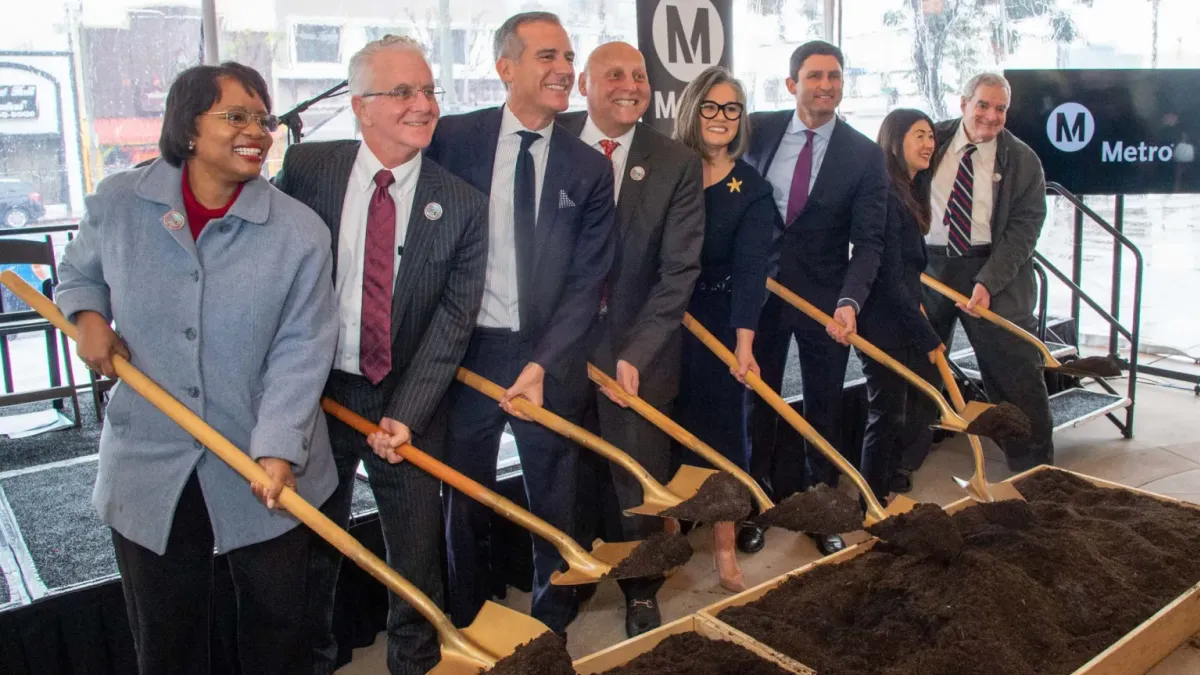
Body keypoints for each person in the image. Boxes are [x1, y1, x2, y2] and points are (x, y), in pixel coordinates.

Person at [55, 62, 337, 675]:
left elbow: (303, 348)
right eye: (235, 116)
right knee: (166, 630)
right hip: (149, 456)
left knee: (277, 629)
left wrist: (279, 446)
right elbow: (78, 275)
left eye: (262, 119)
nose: (257, 131)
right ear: (186, 128)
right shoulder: (120, 202)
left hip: (262, 452)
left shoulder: (299, 232)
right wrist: (88, 316)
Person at [273, 36, 488, 675]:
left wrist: (409, 414)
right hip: (316, 393)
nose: (423, 105)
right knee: (311, 550)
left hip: (405, 398)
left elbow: (453, 322)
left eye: (428, 91)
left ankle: (414, 664)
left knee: (416, 563)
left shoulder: (464, 205)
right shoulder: (309, 169)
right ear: (361, 106)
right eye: (403, 92)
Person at [425, 11, 616, 636]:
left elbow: (588, 281)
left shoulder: (588, 167)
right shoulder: (452, 139)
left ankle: (551, 621)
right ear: (505, 68)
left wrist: (540, 364)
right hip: (464, 351)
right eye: (547, 57)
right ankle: (471, 618)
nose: (564, 69)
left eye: (568, 56)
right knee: (464, 494)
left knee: (555, 492)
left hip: (547, 353)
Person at [558, 41, 704, 637]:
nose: (630, 84)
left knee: (638, 480)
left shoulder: (674, 161)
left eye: (639, 75)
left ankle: (641, 589)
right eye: (613, 74)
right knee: (564, 475)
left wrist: (635, 354)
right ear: (583, 86)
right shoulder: (552, 142)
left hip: (638, 355)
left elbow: (679, 274)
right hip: (558, 353)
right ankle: (568, 581)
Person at [741, 40, 887, 556]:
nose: (826, 85)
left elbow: (869, 242)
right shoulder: (756, 130)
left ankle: (820, 508)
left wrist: (849, 302)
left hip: (826, 304)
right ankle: (755, 508)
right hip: (756, 297)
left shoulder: (864, 155)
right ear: (791, 84)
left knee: (823, 409)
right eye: (815, 76)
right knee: (757, 403)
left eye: (835, 76)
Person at [671, 66, 778, 592]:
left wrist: (744, 345)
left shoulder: (751, 187)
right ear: (693, 110)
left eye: (731, 109)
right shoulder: (667, 169)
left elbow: (752, 270)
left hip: (715, 322)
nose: (721, 118)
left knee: (723, 438)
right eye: (711, 107)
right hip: (661, 322)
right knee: (662, 433)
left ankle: (725, 554)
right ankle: (667, 541)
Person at [916, 72, 1053, 472]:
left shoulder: (1024, 160)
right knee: (917, 364)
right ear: (963, 103)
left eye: (1001, 108)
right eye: (983, 104)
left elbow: (1025, 229)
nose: (991, 116)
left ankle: (1034, 469)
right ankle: (903, 460)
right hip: (929, 268)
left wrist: (988, 282)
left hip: (994, 271)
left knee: (1015, 372)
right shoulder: (929, 141)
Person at [855, 108, 946, 501]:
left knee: (900, 409)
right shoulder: (886, 197)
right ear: (895, 142)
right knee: (886, 413)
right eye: (919, 135)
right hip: (880, 321)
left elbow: (907, 274)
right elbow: (889, 279)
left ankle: (890, 480)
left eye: (931, 136)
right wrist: (927, 336)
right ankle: (870, 502)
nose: (929, 144)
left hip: (902, 316)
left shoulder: (910, 190)